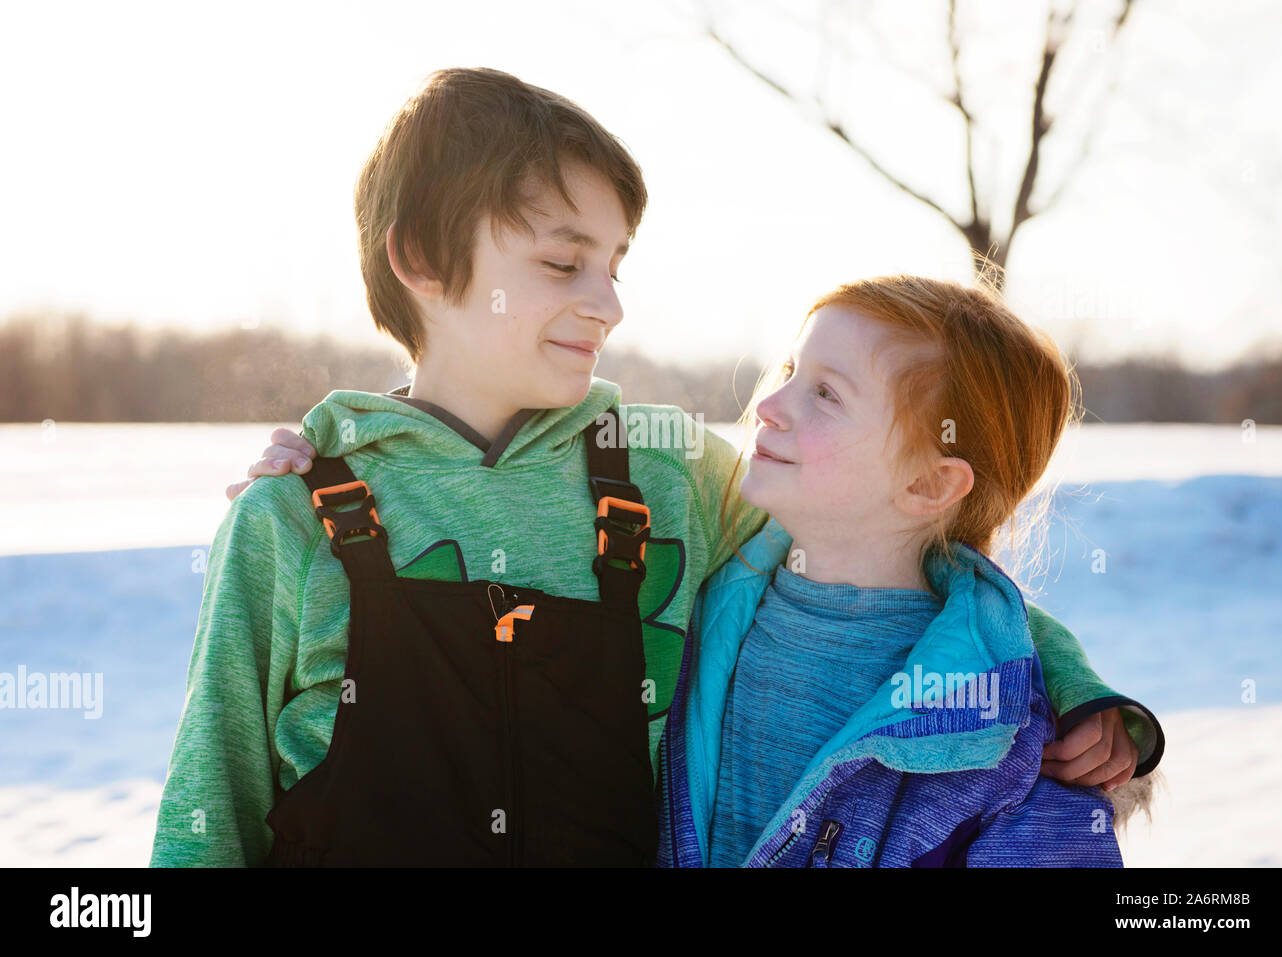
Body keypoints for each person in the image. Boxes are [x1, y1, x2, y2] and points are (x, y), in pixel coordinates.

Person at [153, 68, 1159, 867]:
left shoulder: (663, 473)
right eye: (562, 263)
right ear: (419, 257)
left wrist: (1081, 698)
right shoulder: (291, 520)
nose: (609, 302)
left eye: (616, 264)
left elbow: (916, 564)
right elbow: (212, 796)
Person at [658, 276, 1161, 867]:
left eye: (826, 394)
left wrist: (1076, 696)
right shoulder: (702, 583)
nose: (769, 406)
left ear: (928, 483)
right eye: (791, 371)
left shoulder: (1000, 732)